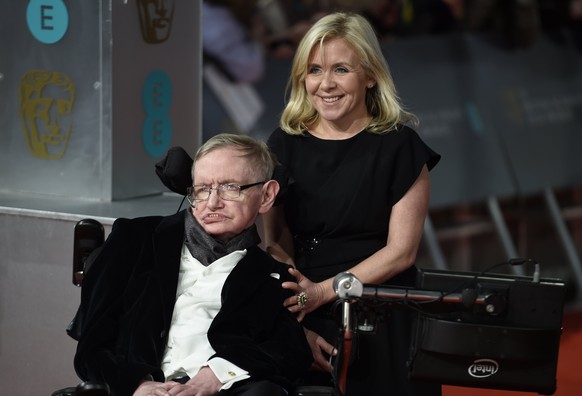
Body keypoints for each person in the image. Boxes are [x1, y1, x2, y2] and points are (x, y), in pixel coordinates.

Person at [262, 12, 442, 395]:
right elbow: (275, 242)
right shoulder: (283, 144)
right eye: (314, 70)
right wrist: (298, 317)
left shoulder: (401, 148)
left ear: (370, 75)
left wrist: (324, 292)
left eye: (340, 69)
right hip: (305, 310)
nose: (325, 84)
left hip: (381, 306)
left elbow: (400, 252)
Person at [73, 133, 313, 396]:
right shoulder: (134, 240)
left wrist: (217, 374)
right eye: (202, 189)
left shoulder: (273, 276)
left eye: (230, 187)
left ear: (266, 195)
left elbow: (290, 353)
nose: (212, 203)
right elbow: (92, 348)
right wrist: (137, 385)